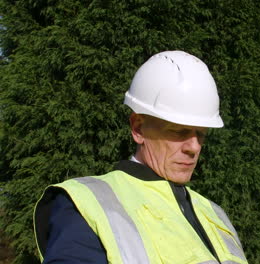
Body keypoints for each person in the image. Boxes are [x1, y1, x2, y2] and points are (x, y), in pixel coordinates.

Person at [33, 51, 248, 264]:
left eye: (201, 134)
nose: (194, 147)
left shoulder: (215, 214)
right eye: (179, 131)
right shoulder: (88, 204)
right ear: (138, 129)